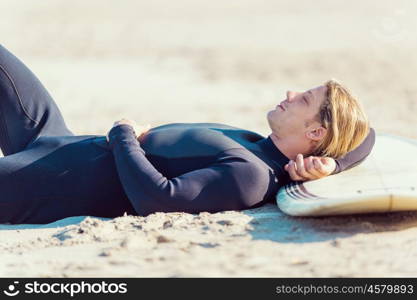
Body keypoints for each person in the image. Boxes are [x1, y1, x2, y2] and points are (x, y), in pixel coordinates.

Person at [0, 44, 375, 224]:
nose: (291, 94)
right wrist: (334, 164)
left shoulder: (252, 175)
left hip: (45, 181)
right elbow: (369, 136)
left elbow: (157, 200)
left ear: (315, 130)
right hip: (54, 140)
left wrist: (123, 134)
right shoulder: (252, 141)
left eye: (304, 99)